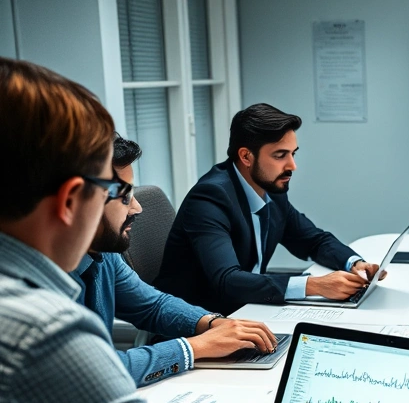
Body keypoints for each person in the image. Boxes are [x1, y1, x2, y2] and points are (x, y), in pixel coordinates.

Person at [0, 57, 400, 403]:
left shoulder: (88, 265)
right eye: (119, 193)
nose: (136, 207)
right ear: (72, 199)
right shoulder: (39, 336)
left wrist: (208, 324)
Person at [70, 134, 280, 387]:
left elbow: (152, 305)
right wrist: (195, 347)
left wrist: (213, 323)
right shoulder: (37, 284)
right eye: (125, 196)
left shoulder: (102, 254)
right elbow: (95, 373)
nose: (137, 208)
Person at [155, 103, 385, 315]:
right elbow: (227, 280)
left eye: (293, 154)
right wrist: (314, 285)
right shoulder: (209, 198)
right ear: (246, 156)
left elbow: (313, 240)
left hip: (248, 309)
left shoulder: (272, 191)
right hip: (199, 323)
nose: (292, 166)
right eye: (280, 155)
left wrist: (355, 264)